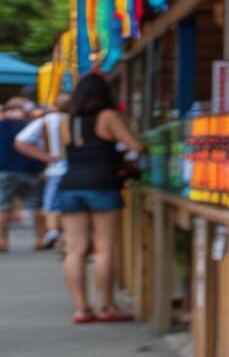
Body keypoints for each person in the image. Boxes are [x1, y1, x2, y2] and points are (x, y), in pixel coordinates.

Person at [15, 74, 142, 324]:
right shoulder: (108, 116)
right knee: (103, 248)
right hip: (103, 185)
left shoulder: (66, 121)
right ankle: (106, 306)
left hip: (69, 185)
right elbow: (134, 145)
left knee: (75, 250)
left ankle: (81, 309)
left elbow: (62, 152)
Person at [16, 93, 71, 248]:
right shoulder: (77, 119)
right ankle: (64, 237)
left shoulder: (46, 121)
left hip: (55, 169)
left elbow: (20, 142)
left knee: (52, 205)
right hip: (79, 169)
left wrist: (48, 158)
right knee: (71, 206)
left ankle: (54, 232)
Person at [0, 96, 47, 252]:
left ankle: (2, 241)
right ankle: (40, 239)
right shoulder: (32, 123)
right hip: (31, 169)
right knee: (36, 206)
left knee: (3, 207)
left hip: (5, 170)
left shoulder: (2, 124)